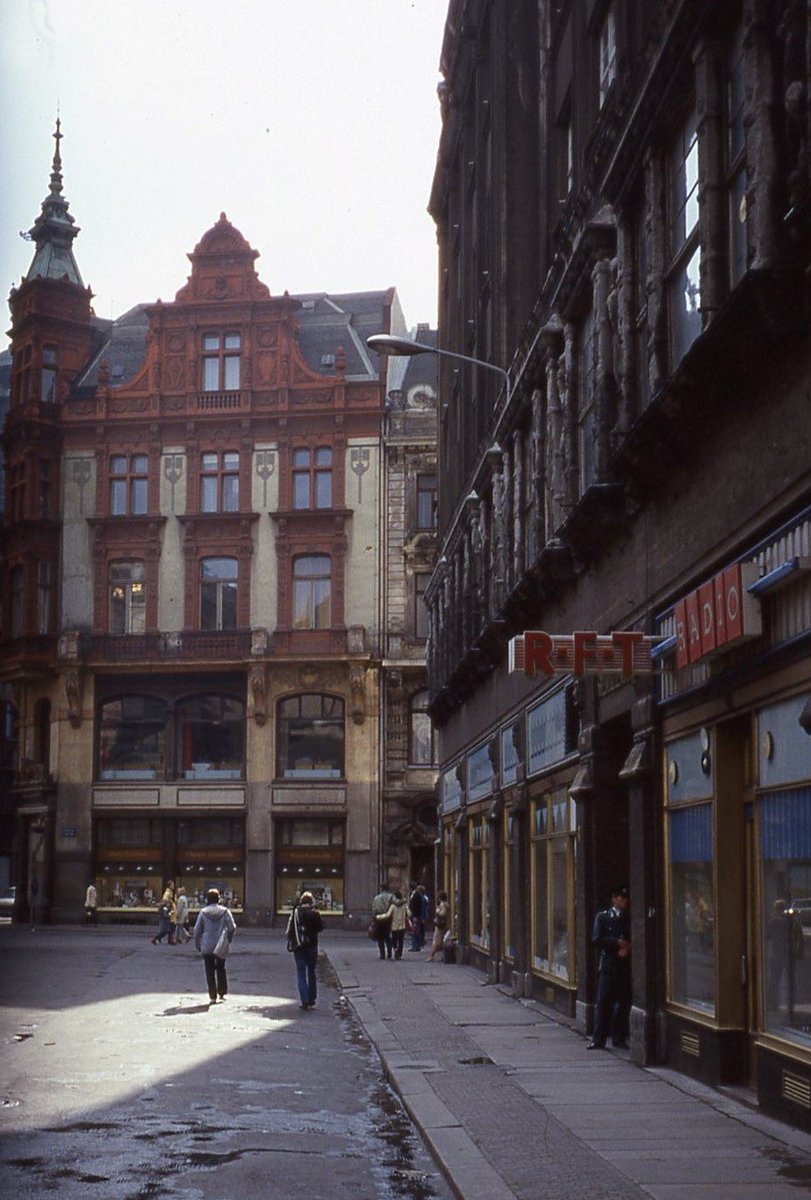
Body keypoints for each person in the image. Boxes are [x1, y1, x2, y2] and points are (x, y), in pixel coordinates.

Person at [588, 885, 631, 1050]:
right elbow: (597, 939)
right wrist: (617, 943)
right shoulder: (603, 917)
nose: (624, 900)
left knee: (623, 1003)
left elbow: (634, 936)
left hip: (623, 966)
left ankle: (619, 1038)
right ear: (614, 899)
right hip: (608, 966)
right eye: (621, 897)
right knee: (603, 1002)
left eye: (625, 898)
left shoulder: (627, 918)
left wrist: (627, 948)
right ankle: (598, 1039)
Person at [193, 887, 236, 1004]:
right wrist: (228, 938)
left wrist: (198, 944)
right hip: (220, 944)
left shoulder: (203, 912)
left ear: (207, 899)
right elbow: (232, 927)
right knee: (221, 968)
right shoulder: (225, 911)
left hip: (207, 945)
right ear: (218, 899)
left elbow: (197, 930)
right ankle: (222, 992)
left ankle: (212, 996)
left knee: (209, 970)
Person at [286, 891, 324, 1009]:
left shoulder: (296, 912)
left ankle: (304, 1000)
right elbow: (321, 928)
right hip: (312, 945)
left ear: (301, 901)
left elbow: (289, 929)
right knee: (312, 972)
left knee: (301, 973)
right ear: (311, 901)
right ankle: (312, 998)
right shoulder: (315, 913)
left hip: (299, 945)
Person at [380, 891, 409, 960]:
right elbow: (409, 913)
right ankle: (399, 954)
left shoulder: (393, 906)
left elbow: (387, 915)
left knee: (394, 940)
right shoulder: (405, 905)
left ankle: (395, 949)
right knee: (401, 940)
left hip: (394, 926)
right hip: (402, 925)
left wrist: (379, 917)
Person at [371, 885, 394, 960]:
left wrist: (373, 918)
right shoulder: (391, 896)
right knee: (387, 936)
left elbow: (374, 909)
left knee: (380, 937)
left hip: (379, 918)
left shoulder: (377, 898)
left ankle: (382, 954)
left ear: (382, 889)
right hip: (387, 918)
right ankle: (389, 953)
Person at [426, 891, 449, 961]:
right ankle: (443, 956)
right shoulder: (446, 904)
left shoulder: (442, 904)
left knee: (435, 940)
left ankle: (431, 956)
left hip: (440, 924)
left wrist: (438, 911)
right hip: (444, 924)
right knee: (441, 940)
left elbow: (443, 913)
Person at [408, 884, 427, 952]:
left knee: (415, 931)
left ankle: (416, 946)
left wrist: (415, 916)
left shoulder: (416, 895)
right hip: (414, 915)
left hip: (415, 916)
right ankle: (415, 945)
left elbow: (417, 907)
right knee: (415, 930)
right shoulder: (416, 895)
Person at [161, 881, 178, 945]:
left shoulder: (171, 893)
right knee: (171, 926)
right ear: (170, 886)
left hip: (172, 912)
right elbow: (165, 901)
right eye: (172, 885)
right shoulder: (167, 893)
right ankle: (171, 939)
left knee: (171, 926)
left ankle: (170, 939)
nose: (173, 886)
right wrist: (169, 905)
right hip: (171, 912)